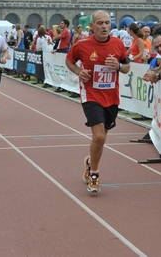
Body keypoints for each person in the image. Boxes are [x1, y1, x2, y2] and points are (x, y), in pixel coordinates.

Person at [65, 10, 131, 193]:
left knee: (101, 139)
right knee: (99, 136)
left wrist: (117, 66)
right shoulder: (82, 44)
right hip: (90, 95)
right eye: (100, 23)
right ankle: (94, 174)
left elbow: (127, 67)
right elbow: (68, 61)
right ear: (92, 26)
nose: (104, 26)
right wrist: (79, 72)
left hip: (111, 97)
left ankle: (89, 162)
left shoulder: (118, 44)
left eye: (107, 23)